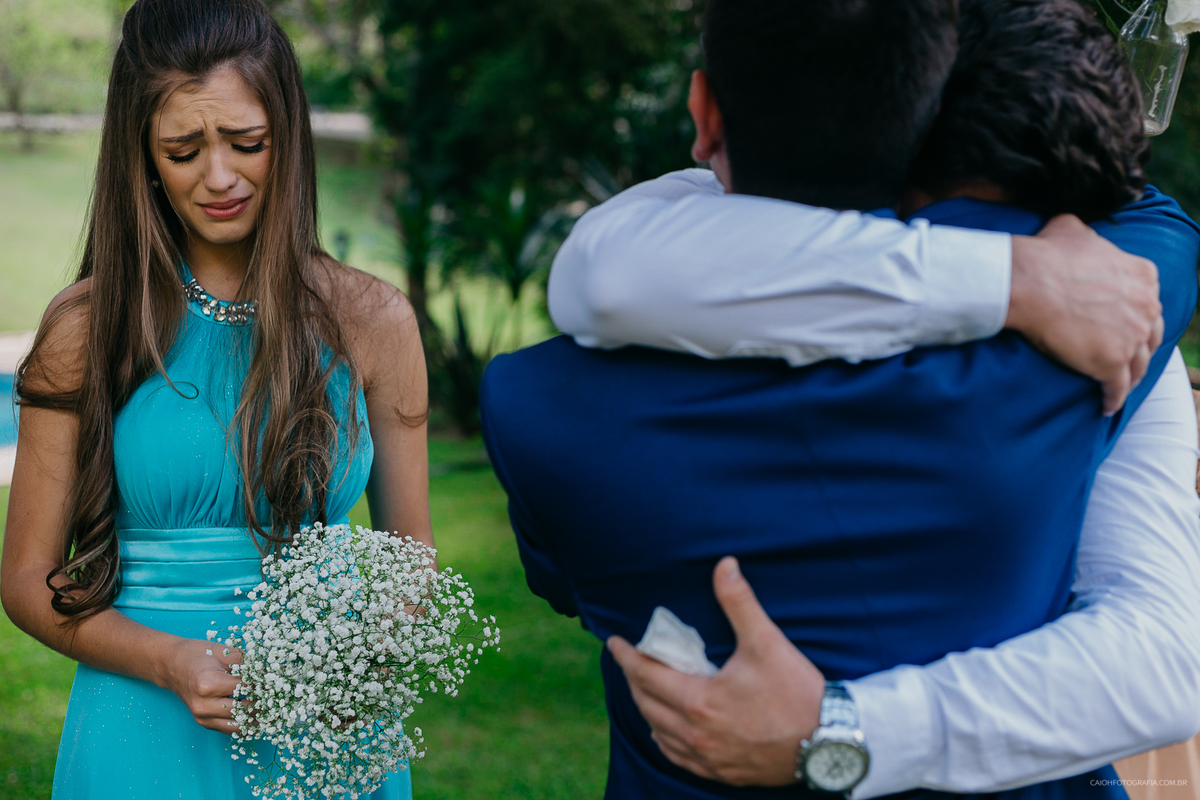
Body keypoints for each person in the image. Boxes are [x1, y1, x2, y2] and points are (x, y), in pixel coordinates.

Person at [479, 1, 1200, 798]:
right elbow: (1163, 659)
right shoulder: (1108, 316)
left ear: (705, 115)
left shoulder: (533, 407)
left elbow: (610, 265)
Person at [0, 1, 429, 798]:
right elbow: (27, 577)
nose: (220, 177)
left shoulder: (373, 321)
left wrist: (362, 666)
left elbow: (412, 562)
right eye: (184, 150)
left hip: (326, 737)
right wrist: (169, 661)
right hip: (142, 722)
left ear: (287, 137)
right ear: (142, 154)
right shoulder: (88, 327)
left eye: (247, 142)